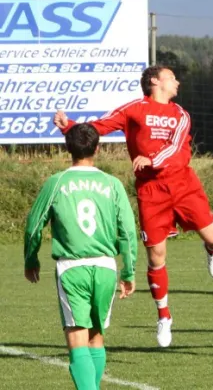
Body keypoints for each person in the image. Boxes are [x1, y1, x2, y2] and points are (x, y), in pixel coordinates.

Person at [53, 65, 213, 348]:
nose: (177, 82)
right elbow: (101, 126)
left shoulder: (180, 114)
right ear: (155, 81)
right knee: (156, 255)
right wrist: (71, 127)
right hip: (151, 191)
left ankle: (212, 249)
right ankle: (164, 316)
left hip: (183, 185)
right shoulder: (135, 109)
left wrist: (152, 158)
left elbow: (175, 144)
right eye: (172, 77)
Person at [23, 124, 137, 390]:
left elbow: (34, 225)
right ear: (97, 148)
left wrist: (31, 259)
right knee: (96, 337)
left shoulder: (57, 182)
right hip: (106, 268)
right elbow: (128, 232)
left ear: (67, 148)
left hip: (72, 268)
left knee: (76, 338)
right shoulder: (113, 184)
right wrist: (129, 272)